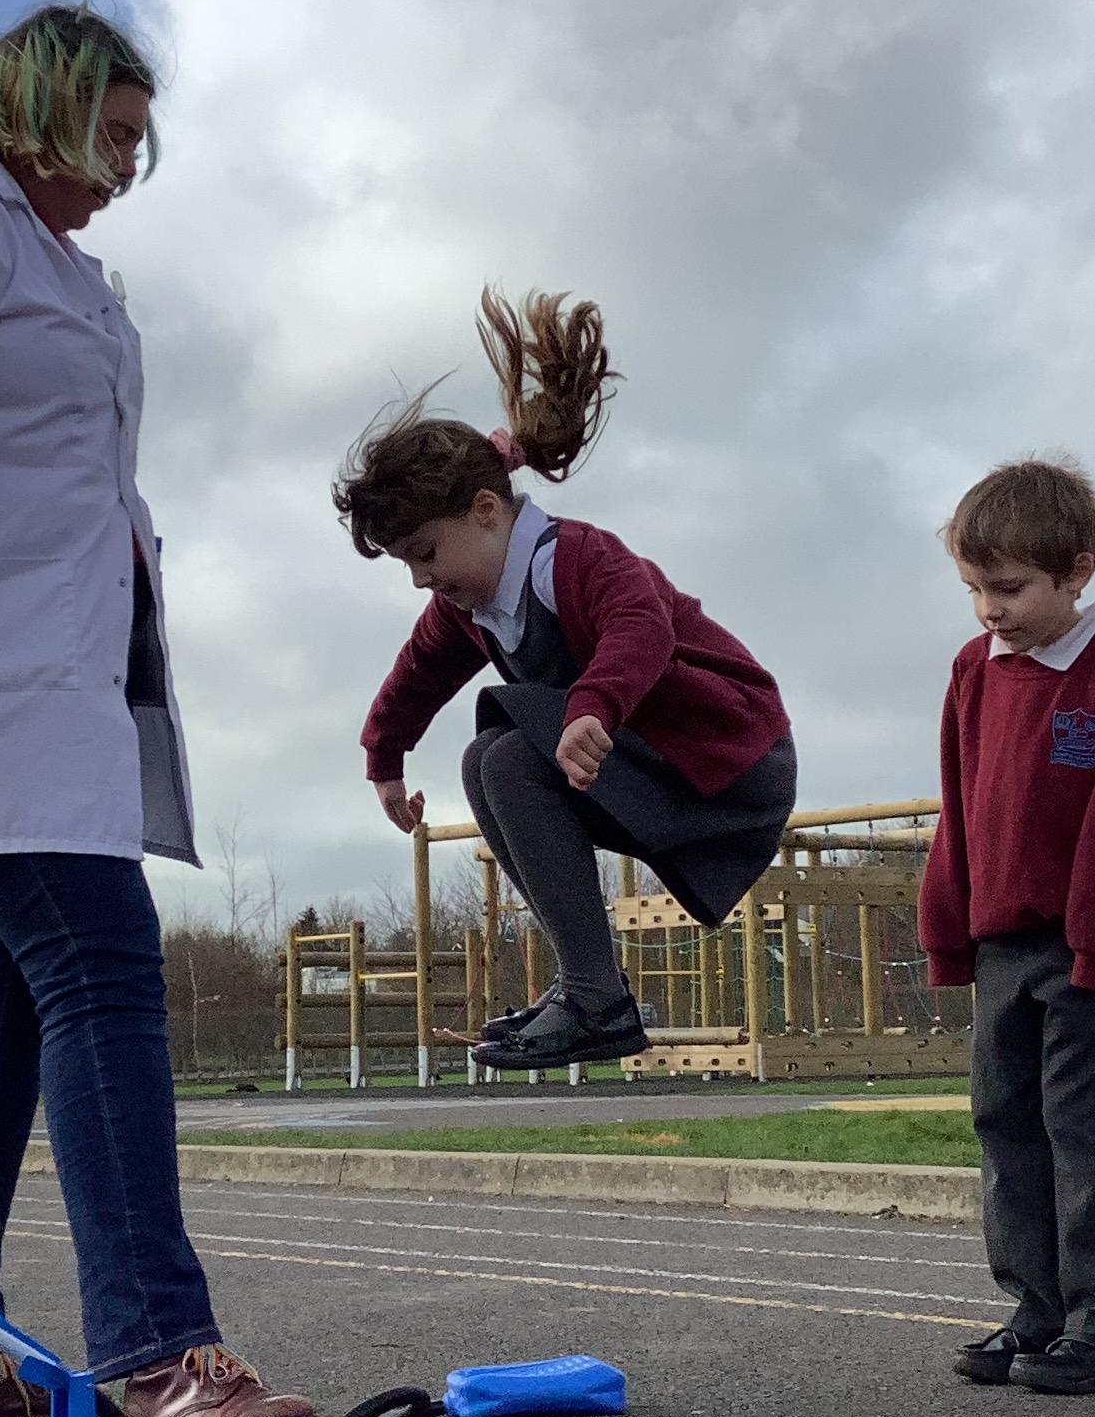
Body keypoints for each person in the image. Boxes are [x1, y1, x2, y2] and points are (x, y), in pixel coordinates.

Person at [0, 2, 323, 1417]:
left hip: (61, 677)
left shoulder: (67, 273)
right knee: (102, 969)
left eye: (137, 142)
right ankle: (161, 1349)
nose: (124, 166)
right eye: (108, 131)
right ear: (32, 102)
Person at [337, 292, 795, 1073]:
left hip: (729, 754)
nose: (420, 579)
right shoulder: (469, 608)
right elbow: (413, 678)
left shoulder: (577, 559)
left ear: (486, 510)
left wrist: (594, 706)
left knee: (512, 755)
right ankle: (591, 987)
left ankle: (594, 997)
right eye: (406, 564)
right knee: (487, 761)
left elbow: (641, 627)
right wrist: (385, 757)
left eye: (426, 553)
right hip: (650, 761)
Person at [919, 458, 1095, 1396]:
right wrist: (948, 928)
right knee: (1006, 1123)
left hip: (1085, 949)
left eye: (1009, 588)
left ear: (1077, 572)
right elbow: (959, 803)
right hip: (1002, 944)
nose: (990, 609)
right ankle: (1036, 1309)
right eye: (974, 588)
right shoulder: (974, 669)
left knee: (1091, 1134)